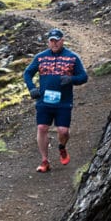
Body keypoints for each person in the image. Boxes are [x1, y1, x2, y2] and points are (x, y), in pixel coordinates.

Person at [23, 28, 89, 172]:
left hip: (63, 102)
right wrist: (32, 88)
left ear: (62, 40)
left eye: (57, 40)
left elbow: (84, 77)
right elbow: (27, 73)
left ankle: (62, 147)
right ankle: (44, 161)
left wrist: (71, 79)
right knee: (42, 128)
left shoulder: (72, 57)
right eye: (52, 41)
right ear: (48, 42)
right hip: (44, 101)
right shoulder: (40, 57)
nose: (54, 43)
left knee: (63, 131)